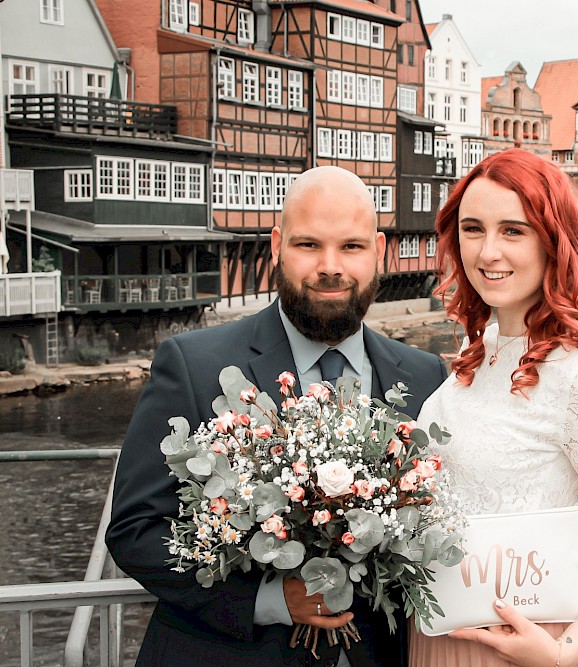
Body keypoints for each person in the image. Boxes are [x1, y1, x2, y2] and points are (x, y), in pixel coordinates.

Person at [105, 166, 449, 667]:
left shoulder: (425, 376)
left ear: (379, 250)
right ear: (276, 245)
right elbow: (135, 531)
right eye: (308, 245)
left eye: (351, 247)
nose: (330, 267)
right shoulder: (193, 363)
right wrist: (268, 599)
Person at [410, 149, 578, 667]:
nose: (487, 252)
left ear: (553, 241)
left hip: (528, 647)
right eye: (473, 229)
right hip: (442, 638)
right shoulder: (478, 353)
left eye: (513, 230)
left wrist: (560, 653)